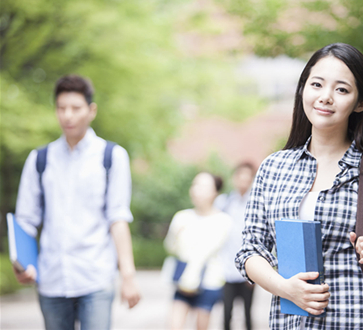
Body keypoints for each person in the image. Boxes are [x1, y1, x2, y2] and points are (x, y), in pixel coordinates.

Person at [235, 43, 363, 330]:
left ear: (361, 102)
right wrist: (284, 288)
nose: (326, 97)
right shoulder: (273, 167)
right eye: (317, 84)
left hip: (362, 320)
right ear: (303, 89)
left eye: (341, 90)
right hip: (292, 321)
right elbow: (250, 249)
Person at [13, 75, 141, 330]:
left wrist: (128, 276)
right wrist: (23, 263)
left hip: (95, 277)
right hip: (51, 279)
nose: (67, 116)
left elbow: (118, 218)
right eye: (61, 108)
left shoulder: (111, 156)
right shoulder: (39, 159)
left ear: (91, 111)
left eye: (75, 108)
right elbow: (26, 219)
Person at [165, 172, 233, 330]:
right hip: (183, 281)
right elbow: (171, 248)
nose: (196, 190)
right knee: (174, 325)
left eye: (203, 186)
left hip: (209, 281)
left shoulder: (223, 221)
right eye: (194, 185)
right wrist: (176, 236)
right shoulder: (181, 217)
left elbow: (206, 251)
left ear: (215, 192)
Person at [216, 163, 256, 330]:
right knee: (226, 313)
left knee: (248, 313)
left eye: (247, 178)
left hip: (250, 268)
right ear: (235, 178)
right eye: (240, 176)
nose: (243, 181)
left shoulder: (255, 203)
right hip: (227, 268)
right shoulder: (223, 203)